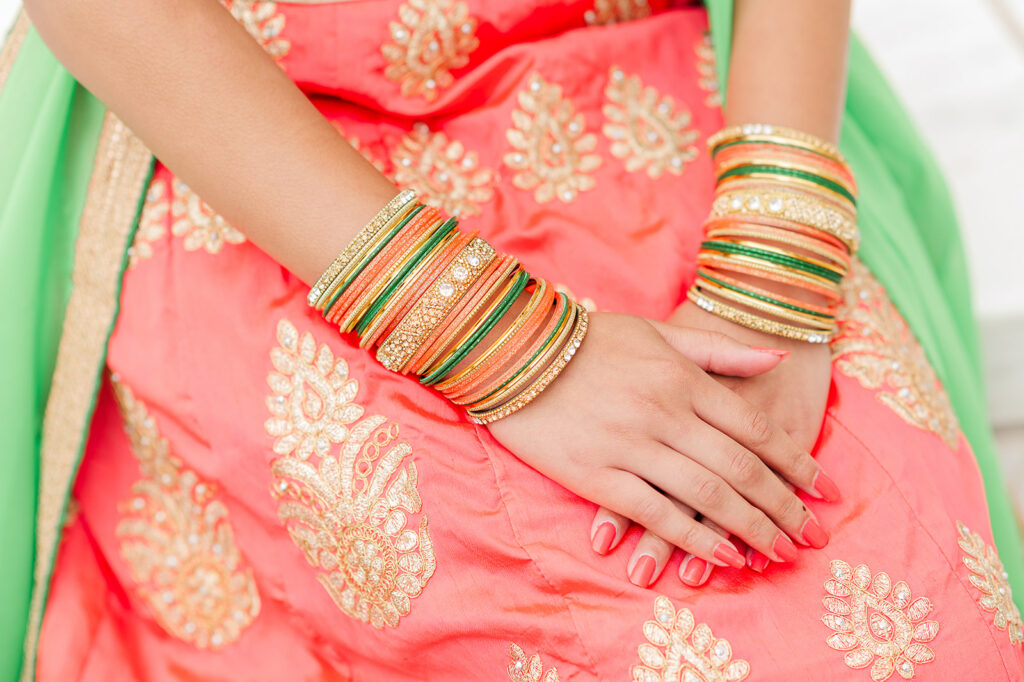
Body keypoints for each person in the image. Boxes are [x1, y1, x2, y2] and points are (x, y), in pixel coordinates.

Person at [2, 0, 1022, 679]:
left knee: (903, 617)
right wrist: (505, 346)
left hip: (697, 94)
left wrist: (772, 265)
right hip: (274, 148)